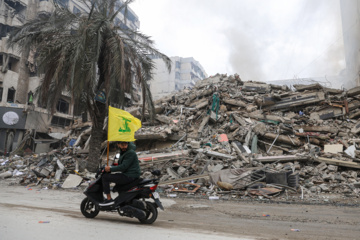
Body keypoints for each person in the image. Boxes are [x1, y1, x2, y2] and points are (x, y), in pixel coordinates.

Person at [99, 141, 141, 206]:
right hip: (129, 175)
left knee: (105, 177)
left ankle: (109, 199)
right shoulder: (124, 152)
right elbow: (122, 164)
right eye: (122, 145)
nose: (124, 146)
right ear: (118, 145)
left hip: (130, 176)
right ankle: (121, 201)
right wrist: (111, 167)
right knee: (117, 185)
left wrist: (110, 169)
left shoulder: (130, 152)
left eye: (125, 145)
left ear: (128, 144)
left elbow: (124, 166)